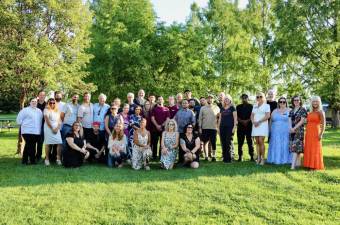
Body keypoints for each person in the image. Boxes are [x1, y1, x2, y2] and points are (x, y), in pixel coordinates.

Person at [16, 97, 43, 165]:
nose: (34, 102)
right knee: (31, 146)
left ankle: (24, 161)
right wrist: (25, 125)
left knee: (29, 145)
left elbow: (40, 121)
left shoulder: (39, 111)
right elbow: (18, 120)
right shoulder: (25, 110)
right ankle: (32, 161)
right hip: (27, 131)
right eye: (32, 101)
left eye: (35, 101)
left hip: (36, 132)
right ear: (29, 102)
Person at [267, 97, 292, 164]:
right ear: (278, 103)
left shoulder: (290, 110)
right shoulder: (274, 111)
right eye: (280, 102)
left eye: (284, 102)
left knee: (285, 145)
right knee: (276, 144)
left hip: (285, 131)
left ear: (286, 103)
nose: (282, 103)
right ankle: (274, 159)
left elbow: (293, 120)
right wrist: (269, 131)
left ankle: (285, 160)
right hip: (275, 132)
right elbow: (270, 121)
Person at [303, 96, 325, 170]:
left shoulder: (321, 112)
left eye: (316, 101)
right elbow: (307, 122)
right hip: (308, 132)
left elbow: (323, 124)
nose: (315, 103)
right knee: (309, 148)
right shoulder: (310, 112)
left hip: (316, 132)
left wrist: (321, 134)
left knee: (315, 149)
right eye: (313, 101)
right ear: (311, 102)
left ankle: (314, 165)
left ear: (319, 103)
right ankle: (308, 164)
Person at [251, 92, 271, 165]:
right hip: (255, 125)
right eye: (257, 97)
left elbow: (268, 116)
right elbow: (252, 115)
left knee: (261, 141)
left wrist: (259, 121)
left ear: (263, 97)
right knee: (257, 142)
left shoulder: (267, 106)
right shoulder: (254, 105)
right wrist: (253, 122)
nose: (259, 98)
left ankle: (263, 158)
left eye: (260, 96)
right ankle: (258, 158)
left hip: (262, 125)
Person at [198, 94, 219, 161]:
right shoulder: (203, 108)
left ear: (213, 99)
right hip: (205, 128)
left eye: (211, 98)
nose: (210, 99)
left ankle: (213, 156)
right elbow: (200, 118)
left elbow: (219, 118)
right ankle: (206, 156)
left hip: (214, 128)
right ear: (207, 99)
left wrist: (218, 127)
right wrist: (200, 128)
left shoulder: (217, 108)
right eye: (208, 98)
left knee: (213, 143)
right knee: (205, 142)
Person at [289, 96, 307, 170]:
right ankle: (298, 164)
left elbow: (302, 121)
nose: (296, 101)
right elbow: (289, 119)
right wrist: (290, 128)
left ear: (300, 101)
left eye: (297, 100)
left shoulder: (303, 109)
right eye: (294, 100)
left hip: (299, 130)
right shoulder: (291, 110)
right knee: (294, 146)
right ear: (293, 101)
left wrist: (294, 128)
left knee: (296, 147)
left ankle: (292, 166)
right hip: (292, 130)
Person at [218, 95, 237, 163]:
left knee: (228, 142)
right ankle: (225, 158)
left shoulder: (232, 108)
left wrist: (234, 127)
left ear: (230, 100)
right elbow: (220, 119)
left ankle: (229, 158)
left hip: (230, 127)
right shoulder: (222, 108)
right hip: (222, 127)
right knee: (223, 142)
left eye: (228, 99)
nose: (226, 100)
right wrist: (218, 128)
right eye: (225, 99)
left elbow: (235, 118)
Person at [43, 98, 63, 166]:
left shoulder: (57, 110)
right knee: (48, 144)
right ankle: (47, 159)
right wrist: (52, 128)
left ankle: (58, 159)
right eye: (50, 103)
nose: (52, 104)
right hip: (48, 128)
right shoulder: (46, 110)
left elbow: (60, 120)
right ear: (48, 103)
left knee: (59, 143)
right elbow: (47, 120)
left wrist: (57, 128)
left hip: (56, 128)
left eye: (53, 103)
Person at [236, 94, 254, 161]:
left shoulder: (251, 106)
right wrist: (242, 121)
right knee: (240, 142)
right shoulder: (238, 107)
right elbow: (236, 116)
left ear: (248, 98)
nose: (244, 99)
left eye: (245, 98)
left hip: (249, 126)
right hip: (240, 126)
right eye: (243, 98)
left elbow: (252, 115)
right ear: (241, 99)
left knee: (250, 141)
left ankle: (252, 156)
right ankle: (240, 156)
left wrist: (247, 121)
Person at [36, 90, 46, 162]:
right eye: (40, 95)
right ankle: (32, 155)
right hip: (34, 125)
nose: (42, 96)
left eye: (43, 95)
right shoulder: (34, 103)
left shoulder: (48, 104)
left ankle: (39, 156)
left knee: (40, 141)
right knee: (33, 141)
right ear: (38, 96)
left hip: (44, 125)